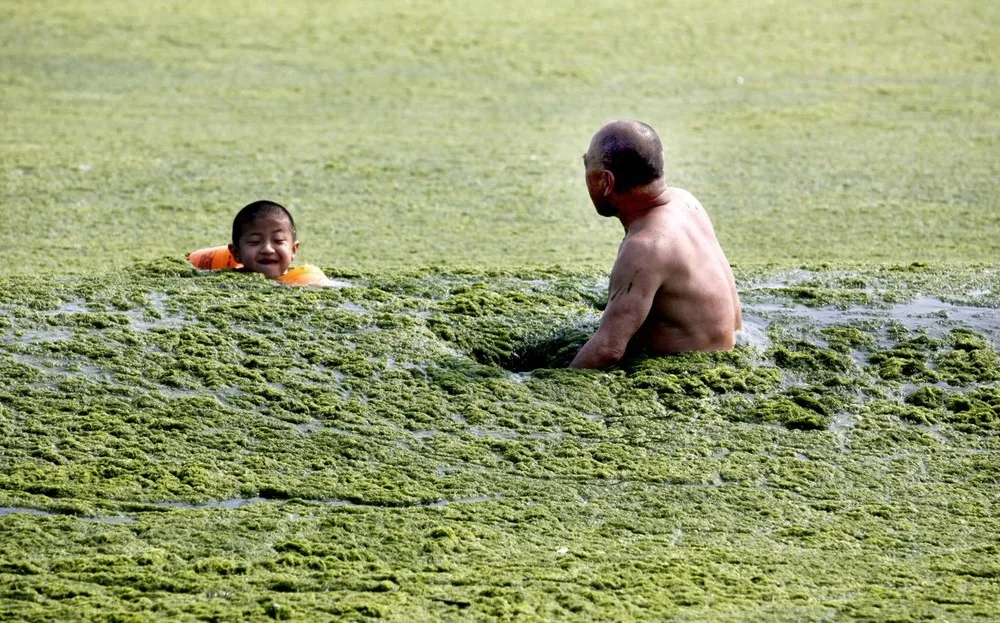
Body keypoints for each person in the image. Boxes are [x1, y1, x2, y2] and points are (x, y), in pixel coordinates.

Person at [570, 120, 742, 369]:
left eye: (588, 166)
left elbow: (608, 350)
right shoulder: (685, 201)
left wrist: (537, 396)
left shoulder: (645, 247)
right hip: (730, 355)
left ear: (607, 182)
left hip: (689, 376)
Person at [228, 200, 301, 279]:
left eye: (278, 241)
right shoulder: (227, 282)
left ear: (293, 250)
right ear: (236, 253)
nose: (267, 249)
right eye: (255, 242)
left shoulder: (306, 284)